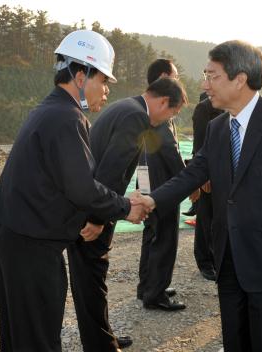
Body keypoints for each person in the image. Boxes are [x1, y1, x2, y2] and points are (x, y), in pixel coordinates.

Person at [132, 40, 262, 352]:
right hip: (228, 255)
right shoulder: (219, 128)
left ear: (240, 79)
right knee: (235, 337)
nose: (205, 84)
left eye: (212, 76)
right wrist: (152, 199)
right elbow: (193, 173)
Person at [0, 30, 147, 352]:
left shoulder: (48, 110)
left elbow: (58, 184)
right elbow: (81, 189)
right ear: (81, 76)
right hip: (34, 249)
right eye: (103, 81)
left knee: (19, 335)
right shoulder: (66, 118)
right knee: (38, 339)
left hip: (18, 241)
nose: (105, 92)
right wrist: (125, 207)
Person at [67, 77, 188, 351]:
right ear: (163, 102)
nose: (170, 119)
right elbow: (111, 170)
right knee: (92, 279)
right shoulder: (137, 118)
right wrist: (99, 219)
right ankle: (101, 345)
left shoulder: (126, 107)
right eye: (173, 113)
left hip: (90, 204)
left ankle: (101, 336)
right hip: (93, 212)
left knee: (89, 279)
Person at [136, 59, 187, 310]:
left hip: (144, 175)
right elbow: (171, 149)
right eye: (175, 76)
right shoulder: (164, 107)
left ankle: (146, 285)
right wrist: (188, 180)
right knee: (165, 237)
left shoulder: (146, 105)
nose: (178, 80)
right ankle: (155, 294)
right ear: (165, 76)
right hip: (163, 183)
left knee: (151, 232)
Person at [191, 92, 223, 280]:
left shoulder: (234, 106)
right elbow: (199, 145)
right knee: (205, 216)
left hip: (228, 171)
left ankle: (217, 257)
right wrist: (204, 176)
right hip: (210, 173)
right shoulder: (204, 108)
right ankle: (205, 261)